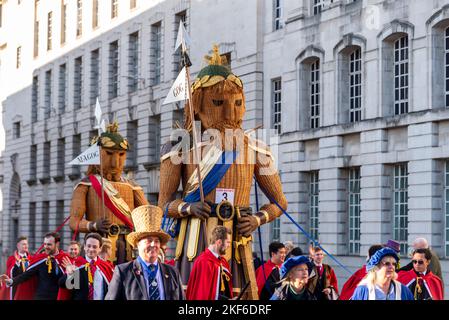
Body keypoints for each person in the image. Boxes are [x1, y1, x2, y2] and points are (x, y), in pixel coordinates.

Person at [158, 45, 287, 299]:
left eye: (237, 103)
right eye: (218, 103)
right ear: (197, 106)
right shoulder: (180, 148)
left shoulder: (256, 149)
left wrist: (258, 218)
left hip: (237, 241)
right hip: (196, 240)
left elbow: (280, 203)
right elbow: (163, 204)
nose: (230, 112)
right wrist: (187, 208)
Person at [69, 122, 149, 264]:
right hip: (98, 244)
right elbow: (74, 222)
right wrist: (93, 225)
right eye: (109, 154)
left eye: (121, 154)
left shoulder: (132, 186)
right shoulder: (85, 185)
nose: (115, 163)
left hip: (127, 248)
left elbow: (147, 218)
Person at [105, 205, 184, 300]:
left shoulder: (172, 272)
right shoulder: (123, 272)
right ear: (138, 244)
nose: (153, 244)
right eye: (149, 240)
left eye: (157, 241)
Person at [0, 233, 67, 300]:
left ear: (57, 244)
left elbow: (74, 284)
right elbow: (26, 274)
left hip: (59, 297)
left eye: (49, 244)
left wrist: (71, 272)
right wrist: (11, 281)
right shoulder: (40, 258)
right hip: (41, 297)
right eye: (45, 244)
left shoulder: (65, 259)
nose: (46, 247)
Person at [59, 233, 114, 300]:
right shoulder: (77, 264)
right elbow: (66, 286)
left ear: (100, 248)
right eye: (88, 246)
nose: (91, 249)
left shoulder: (105, 266)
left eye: (94, 247)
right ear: (84, 247)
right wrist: (70, 274)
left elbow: (112, 289)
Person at [186, 226, 233, 300]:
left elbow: (218, 292)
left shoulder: (222, 262)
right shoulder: (204, 262)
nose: (229, 245)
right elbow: (201, 295)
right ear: (219, 242)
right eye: (228, 242)